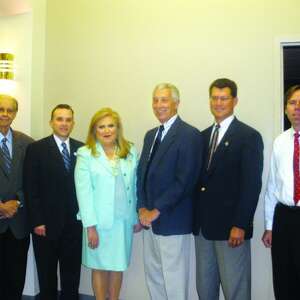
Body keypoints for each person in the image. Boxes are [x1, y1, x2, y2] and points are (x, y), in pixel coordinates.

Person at [193, 78, 264, 300]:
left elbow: (252, 185)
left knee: (236, 290)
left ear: (235, 101)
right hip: (204, 228)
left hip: (231, 229)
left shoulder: (248, 136)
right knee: (205, 288)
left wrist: (240, 225)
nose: (218, 102)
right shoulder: (203, 136)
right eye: (214, 98)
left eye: (224, 98)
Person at [137, 83, 203, 300]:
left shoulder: (189, 135)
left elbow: (185, 181)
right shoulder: (150, 135)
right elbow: (142, 175)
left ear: (177, 103)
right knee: (154, 276)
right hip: (150, 222)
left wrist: (156, 210)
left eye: (164, 100)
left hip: (173, 220)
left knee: (174, 280)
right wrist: (142, 208)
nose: (158, 105)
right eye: (155, 100)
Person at [75, 107, 140, 300]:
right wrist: (90, 227)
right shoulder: (85, 154)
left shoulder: (130, 151)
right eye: (101, 127)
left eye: (110, 125)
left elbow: (135, 187)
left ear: (117, 128)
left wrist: (135, 217)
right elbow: (83, 193)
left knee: (118, 266)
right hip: (98, 224)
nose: (106, 130)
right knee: (100, 267)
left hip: (122, 222)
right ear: (94, 130)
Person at [24, 104, 83, 300]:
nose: (64, 124)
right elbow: (30, 188)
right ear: (51, 122)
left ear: (73, 123)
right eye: (59, 119)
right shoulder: (36, 149)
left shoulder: (82, 149)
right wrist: (37, 221)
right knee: (46, 275)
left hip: (74, 225)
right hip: (45, 226)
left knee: (72, 275)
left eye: (68, 120)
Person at [262, 85, 300, 300]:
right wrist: (269, 226)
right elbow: (273, 187)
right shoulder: (280, 141)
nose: (297, 107)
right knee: (284, 280)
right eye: (293, 103)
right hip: (284, 218)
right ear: (286, 109)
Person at [0, 94, 33, 300]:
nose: (4, 114)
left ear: (15, 113)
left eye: (9, 110)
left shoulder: (28, 143)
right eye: (0, 109)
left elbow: (34, 181)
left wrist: (17, 201)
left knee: (16, 273)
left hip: (19, 222)